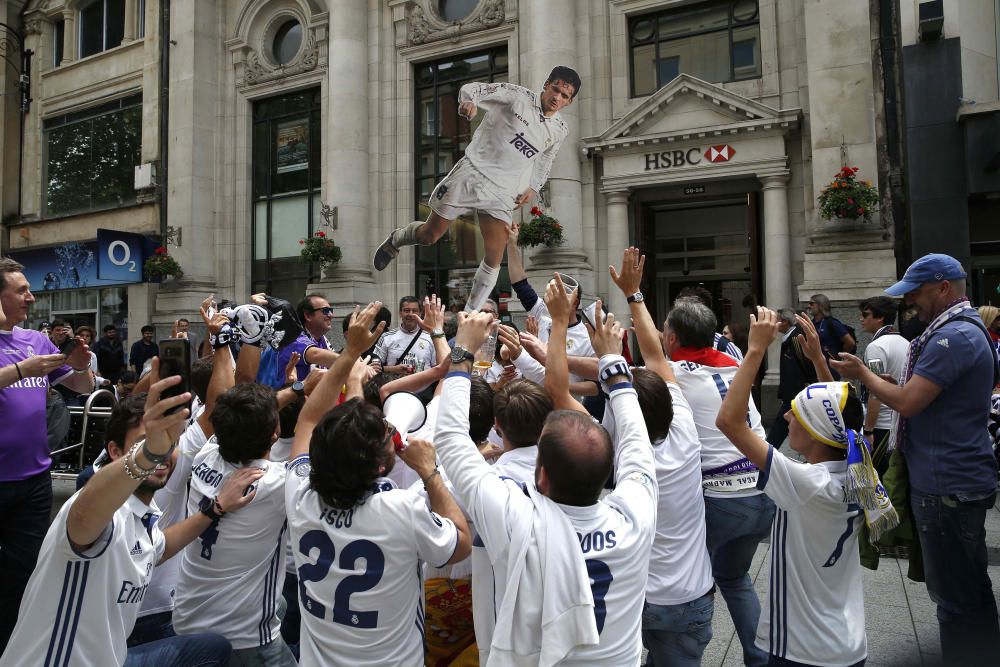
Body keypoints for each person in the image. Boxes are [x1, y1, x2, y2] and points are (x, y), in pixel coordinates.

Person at [436, 289, 656, 664]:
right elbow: (637, 444)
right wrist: (614, 364)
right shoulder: (635, 515)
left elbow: (451, 439)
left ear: (541, 476)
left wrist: (461, 350)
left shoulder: (518, 523)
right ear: (610, 472)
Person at [0, 364, 258, 667]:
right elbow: (86, 516)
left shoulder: (145, 514)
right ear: (114, 451)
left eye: (169, 444)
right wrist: (149, 452)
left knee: (211, 648)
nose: (164, 454)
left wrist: (217, 508)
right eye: (144, 443)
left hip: (115, 658)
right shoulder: (98, 508)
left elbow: (159, 546)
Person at [831, 253, 1000, 664]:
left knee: (954, 598)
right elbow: (923, 391)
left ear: (944, 288)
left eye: (918, 294)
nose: (911, 303)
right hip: (954, 478)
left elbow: (908, 402)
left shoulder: (951, 337)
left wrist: (865, 376)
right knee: (970, 588)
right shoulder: (958, 332)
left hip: (946, 482)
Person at [285, 302, 472, 666]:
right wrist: (429, 473)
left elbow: (308, 418)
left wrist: (350, 358)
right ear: (380, 464)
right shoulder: (402, 509)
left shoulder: (299, 494)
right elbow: (460, 543)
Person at [717, 306, 896, 667]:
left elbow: (729, 421)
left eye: (795, 412)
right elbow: (842, 413)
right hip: (846, 642)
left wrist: (754, 351)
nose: (785, 416)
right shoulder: (857, 461)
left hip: (803, 648)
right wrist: (817, 359)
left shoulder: (806, 482)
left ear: (815, 431)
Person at [373, 66, 581, 312]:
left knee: (494, 257)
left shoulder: (560, 129)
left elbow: (546, 158)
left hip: (501, 192)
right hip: (471, 173)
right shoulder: (516, 95)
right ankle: (397, 239)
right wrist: (469, 102)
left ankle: (469, 316)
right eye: (555, 90)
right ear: (546, 85)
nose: (557, 97)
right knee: (430, 236)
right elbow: (472, 89)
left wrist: (534, 187)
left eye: (564, 96)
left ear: (569, 102)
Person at [609, 248, 715, 666]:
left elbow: (562, 393)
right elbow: (656, 355)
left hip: (637, 596)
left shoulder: (624, 460)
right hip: (690, 596)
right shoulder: (687, 430)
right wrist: (634, 295)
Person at [661, 297, 774, 666]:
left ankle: (682, 655)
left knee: (691, 582)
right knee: (735, 577)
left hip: (722, 502)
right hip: (763, 493)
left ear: (673, 337)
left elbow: (608, 371)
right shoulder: (734, 365)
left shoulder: (674, 374)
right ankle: (760, 658)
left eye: (665, 329)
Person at [0, 258, 96, 653]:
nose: (30, 296)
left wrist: (82, 365)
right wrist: (23, 370)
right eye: (21, 290)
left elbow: (79, 384)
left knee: (25, 572)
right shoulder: (29, 356)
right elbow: (24, 374)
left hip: (34, 480)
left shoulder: (36, 342)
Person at [857, 296, 909, 472]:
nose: (861, 319)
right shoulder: (905, 342)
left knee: (876, 480)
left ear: (880, 318)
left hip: (882, 426)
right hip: (900, 422)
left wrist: (869, 430)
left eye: (866, 314)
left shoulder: (876, 347)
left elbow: (875, 390)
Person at [766, 309, 816, 447]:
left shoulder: (796, 338)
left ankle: (767, 453)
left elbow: (805, 363)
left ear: (785, 322)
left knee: (780, 427)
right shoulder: (790, 337)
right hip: (792, 392)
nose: (774, 324)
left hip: (795, 392)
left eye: (776, 320)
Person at [277, 294, 338, 381]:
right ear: (308, 316)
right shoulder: (294, 338)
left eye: (331, 310)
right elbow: (316, 354)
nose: (331, 315)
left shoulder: (322, 340)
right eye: (325, 310)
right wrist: (351, 356)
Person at [373, 296, 438, 375]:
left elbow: (438, 368)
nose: (410, 314)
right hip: (394, 386)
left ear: (420, 314)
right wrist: (393, 369)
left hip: (423, 387)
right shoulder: (386, 337)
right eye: (406, 310)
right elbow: (374, 367)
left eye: (414, 311)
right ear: (400, 313)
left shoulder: (431, 338)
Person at [808, 293, 856, 359]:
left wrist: (838, 357)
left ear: (821, 305)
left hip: (830, 366)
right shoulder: (810, 324)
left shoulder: (832, 323)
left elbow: (850, 342)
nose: (809, 306)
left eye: (811, 303)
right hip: (814, 365)